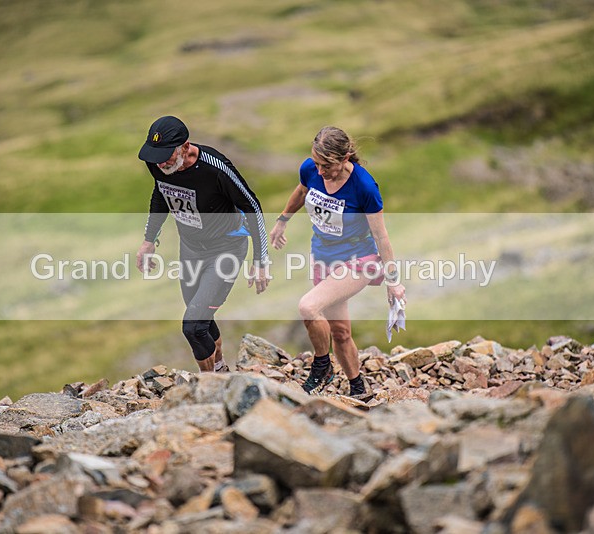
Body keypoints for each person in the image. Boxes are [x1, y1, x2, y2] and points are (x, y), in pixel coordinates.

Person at [269, 126, 405, 397]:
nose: (320, 171)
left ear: (345, 158)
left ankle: (322, 366)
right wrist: (283, 219)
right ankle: (358, 388)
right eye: (317, 164)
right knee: (340, 332)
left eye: (326, 166)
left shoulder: (364, 187)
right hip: (323, 257)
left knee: (308, 307)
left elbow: (381, 236)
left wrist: (394, 282)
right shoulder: (311, 169)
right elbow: (301, 191)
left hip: (359, 259)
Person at [136, 116, 269, 373]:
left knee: (193, 326)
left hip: (226, 250)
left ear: (185, 147)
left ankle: (209, 386)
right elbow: (160, 194)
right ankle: (220, 371)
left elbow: (252, 207)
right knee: (202, 321)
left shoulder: (215, 168)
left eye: (166, 155)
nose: (160, 162)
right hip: (190, 249)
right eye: (155, 156)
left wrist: (261, 260)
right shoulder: (158, 165)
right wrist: (148, 240)